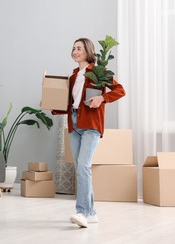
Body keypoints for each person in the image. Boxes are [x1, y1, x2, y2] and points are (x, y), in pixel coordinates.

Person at [52, 38, 125, 228]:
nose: (75, 51)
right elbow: (71, 103)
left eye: (79, 48)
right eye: (73, 48)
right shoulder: (73, 75)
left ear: (88, 51)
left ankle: (82, 212)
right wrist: (52, 106)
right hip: (74, 123)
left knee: (83, 166)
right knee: (80, 168)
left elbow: (119, 90)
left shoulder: (98, 71)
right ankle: (91, 213)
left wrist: (102, 97)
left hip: (91, 124)